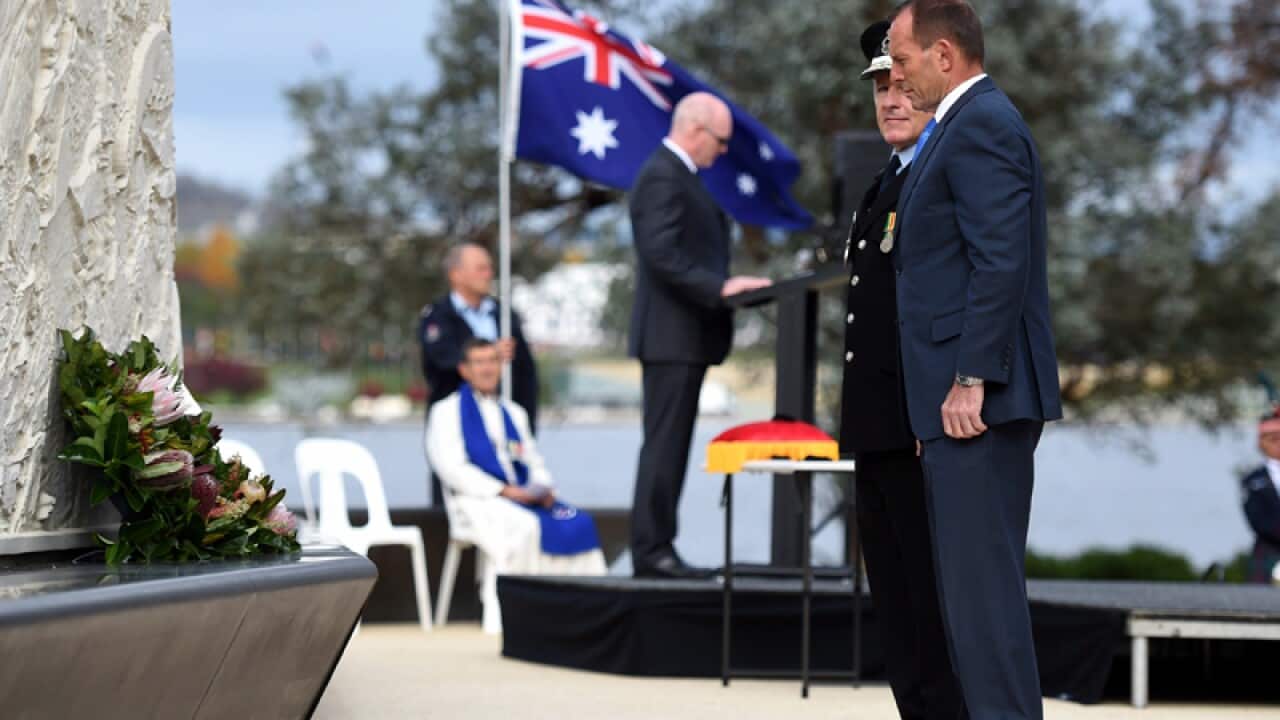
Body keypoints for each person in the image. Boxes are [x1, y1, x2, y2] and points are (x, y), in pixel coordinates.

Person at [887, 1, 1064, 717]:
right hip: (964, 403)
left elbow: (1001, 261)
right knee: (971, 599)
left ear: (943, 55)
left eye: (901, 58)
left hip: (978, 404)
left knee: (982, 602)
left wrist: (970, 379)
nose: (894, 75)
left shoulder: (982, 124)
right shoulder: (962, 125)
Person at [839, 20, 964, 719]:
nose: (890, 99)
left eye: (900, 85)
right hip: (879, 429)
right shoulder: (882, 186)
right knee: (897, 612)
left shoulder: (940, 177)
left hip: (922, 430)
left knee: (933, 606)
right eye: (880, 88)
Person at [627, 92, 771, 578]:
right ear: (696, 129)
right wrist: (720, 287)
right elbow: (661, 253)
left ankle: (658, 546)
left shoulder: (680, 176)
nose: (724, 150)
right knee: (663, 446)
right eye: (722, 140)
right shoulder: (662, 176)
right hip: (671, 337)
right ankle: (652, 552)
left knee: (672, 446)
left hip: (685, 338)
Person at [426, 339, 606, 631]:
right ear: (464, 369)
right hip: (477, 498)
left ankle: (584, 610)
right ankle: (523, 614)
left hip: (524, 496)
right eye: (479, 362)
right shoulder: (446, 412)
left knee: (579, 523)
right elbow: (451, 467)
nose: (487, 368)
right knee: (523, 527)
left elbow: (534, 461)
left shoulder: (514, 413)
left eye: (492, 361)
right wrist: (504, 491)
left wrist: (543, 490)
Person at [419, 243, 539, 432]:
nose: (489, 274)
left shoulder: (505, 315)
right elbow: (443, 361)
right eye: (481, 268)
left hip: (505, 425)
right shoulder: (437, 316)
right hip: (459, 426)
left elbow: (526, 372)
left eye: (490, 268)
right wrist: (491, 354)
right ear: (456, 274)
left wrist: (526, 424)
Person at [1241, 406, 1280, 584]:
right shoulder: (1253, 480)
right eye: (1272, 438)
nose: (1277, 442)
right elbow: (1259, 521)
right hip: (1270, 551)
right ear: (1261, 442)